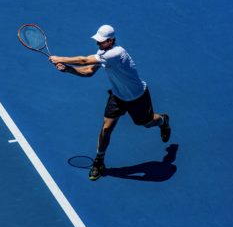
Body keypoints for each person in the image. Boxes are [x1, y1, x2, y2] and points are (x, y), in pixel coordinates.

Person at [49, 25, 171, 181]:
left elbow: (84, 60)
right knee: (106, 128)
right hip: (118, 96)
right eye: (97, 41)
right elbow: (88, 72)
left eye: (101, 41)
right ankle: (99, 161)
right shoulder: (103, 53)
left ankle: (162, 120)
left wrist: (60, 58)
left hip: (138, 97)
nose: (98, 44)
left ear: (111, 40)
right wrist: (68, 69)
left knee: (146, 123)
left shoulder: (116, 53)